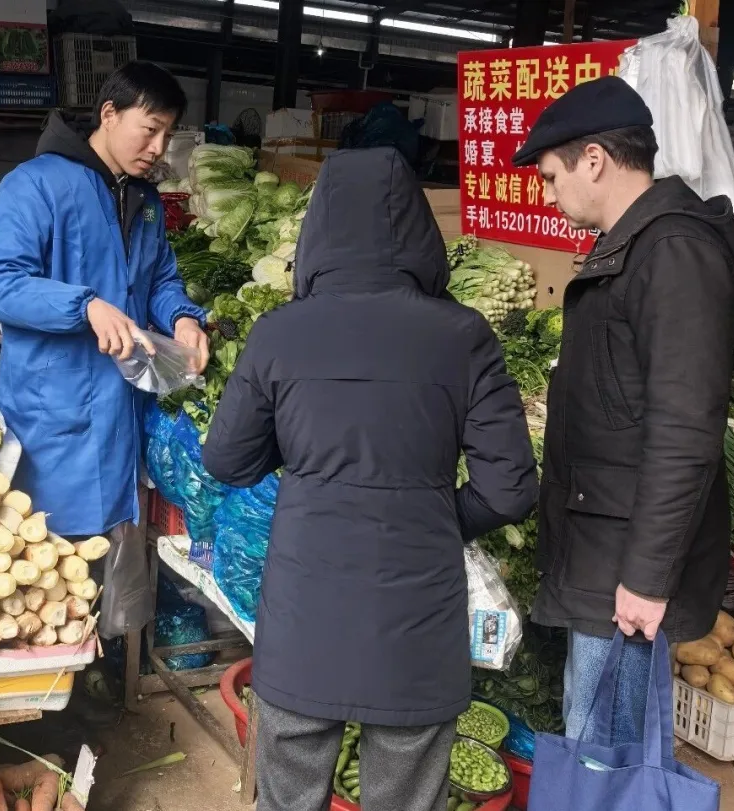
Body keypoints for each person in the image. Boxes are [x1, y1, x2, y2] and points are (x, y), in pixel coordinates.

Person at [202, 147, 539, 811]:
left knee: (288, 795)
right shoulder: (463, 336)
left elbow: (226, 459)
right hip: (417, 622)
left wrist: (308, 465)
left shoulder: (279, 334)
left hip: (305, 616)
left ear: (320, 229)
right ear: (420, 231)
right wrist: (439, 516)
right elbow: (511, 488)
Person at [512, 76, 734, 746]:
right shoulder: (633, 245)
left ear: (594, 160)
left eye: (552, 176)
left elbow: (685, 429)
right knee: (597, 735)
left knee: (610, 752)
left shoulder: (674, 252)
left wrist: (645, 575)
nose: (550, 195)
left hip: (626, 571)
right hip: (602, 546)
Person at [0, 62, 209, 537]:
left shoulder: (144, 201)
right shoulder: (36, 183)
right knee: (47, 561)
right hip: (54, 413)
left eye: (167, 134)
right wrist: (85, 306)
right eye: (150, 130)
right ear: (109, 113)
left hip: (122, 408)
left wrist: (182, 318)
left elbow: (160, 279)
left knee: (112, 561)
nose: (158, 148)